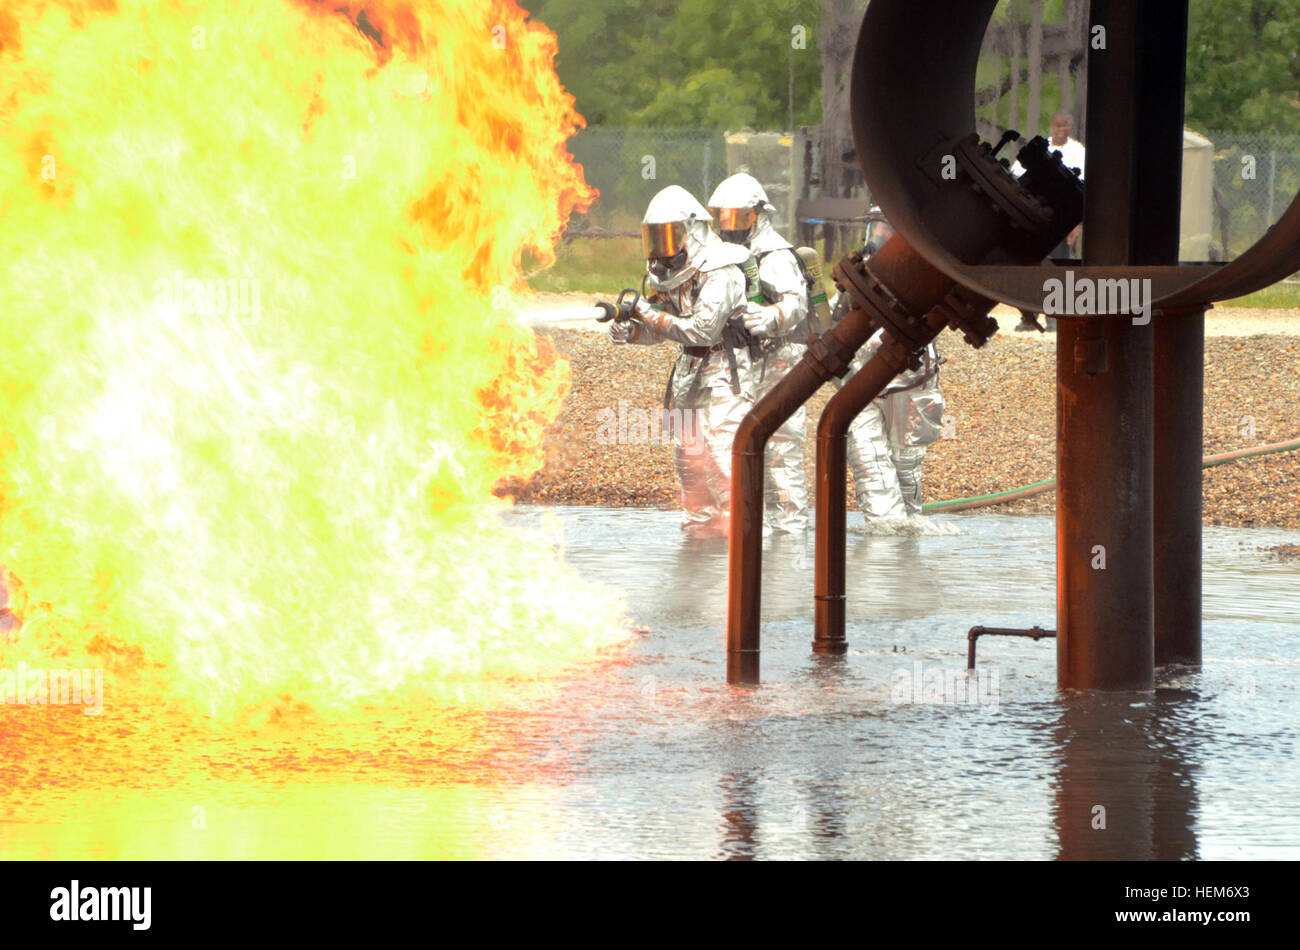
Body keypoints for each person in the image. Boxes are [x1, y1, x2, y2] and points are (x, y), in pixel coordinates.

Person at [609, 184, 753, 537]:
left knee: (723, 461)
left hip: (725, 376)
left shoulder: (723, 271)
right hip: (690, 374)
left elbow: (701, 331)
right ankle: (699, 540)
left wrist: (645, 311)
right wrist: (633, 333)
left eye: (670, 238)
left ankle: (742, 546)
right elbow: (665, 329)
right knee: (689, 463)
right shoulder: (672, 276)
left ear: (694, 232)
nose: (661, 251)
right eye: (656, 239)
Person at [707, 172, 810, 534]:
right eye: (722, 218)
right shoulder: (724, 256)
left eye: (736, 218)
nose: (728, 227)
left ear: (758, 216)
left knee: (781, 445)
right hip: (747, 362)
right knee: (745, 441)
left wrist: (771, 315)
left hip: (780, 358)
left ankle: (791, 531)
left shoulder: (776, 255)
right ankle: (757, 529)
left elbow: (796, 303)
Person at [832, 208, 946, 527]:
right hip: (862, 386)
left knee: (907, 473)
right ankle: (886, 542)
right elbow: (835, 321)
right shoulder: (858, 276)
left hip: (910, 384)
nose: (878, 238)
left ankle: (901, 551)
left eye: (886, 230)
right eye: (875, 229)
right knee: (870, 465)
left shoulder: (922, 274)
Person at [1014, 111, 1086, 331]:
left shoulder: (1078, 151)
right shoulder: (1043, 148)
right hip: (1033, 217)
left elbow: (1083, 192)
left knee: (1057, 270)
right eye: (1057, 125)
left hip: (1061, 223)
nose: (1060, 129)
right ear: (1052, 126)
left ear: (1070, 127)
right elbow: (1016, 176)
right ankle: (1029, 314)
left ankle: (1055, 316)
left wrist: (1076, 226)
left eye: (1064, 125)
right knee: (1029, 267)